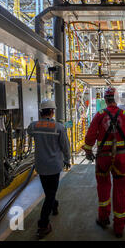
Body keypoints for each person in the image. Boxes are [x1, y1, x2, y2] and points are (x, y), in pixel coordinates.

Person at [83, 87, 125, 238]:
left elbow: (90, 136)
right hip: (121, 158)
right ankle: (119, 228)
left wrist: (88, 150)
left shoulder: (99, 115)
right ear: (117, 99)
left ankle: (103, 218)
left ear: (106, 100)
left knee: (103, 187)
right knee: (120, 191)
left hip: (103, 158)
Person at [27, 100, 71, 239]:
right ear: (52, 111)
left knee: (49, 191)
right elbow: (65, 145)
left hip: (41, 166)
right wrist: (67, 159)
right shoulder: (58, 127)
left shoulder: (34, 126)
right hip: (54, 166)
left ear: (40, 111)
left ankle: (54, 204)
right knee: (50, 193)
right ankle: (43, 224)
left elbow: (29, 131)